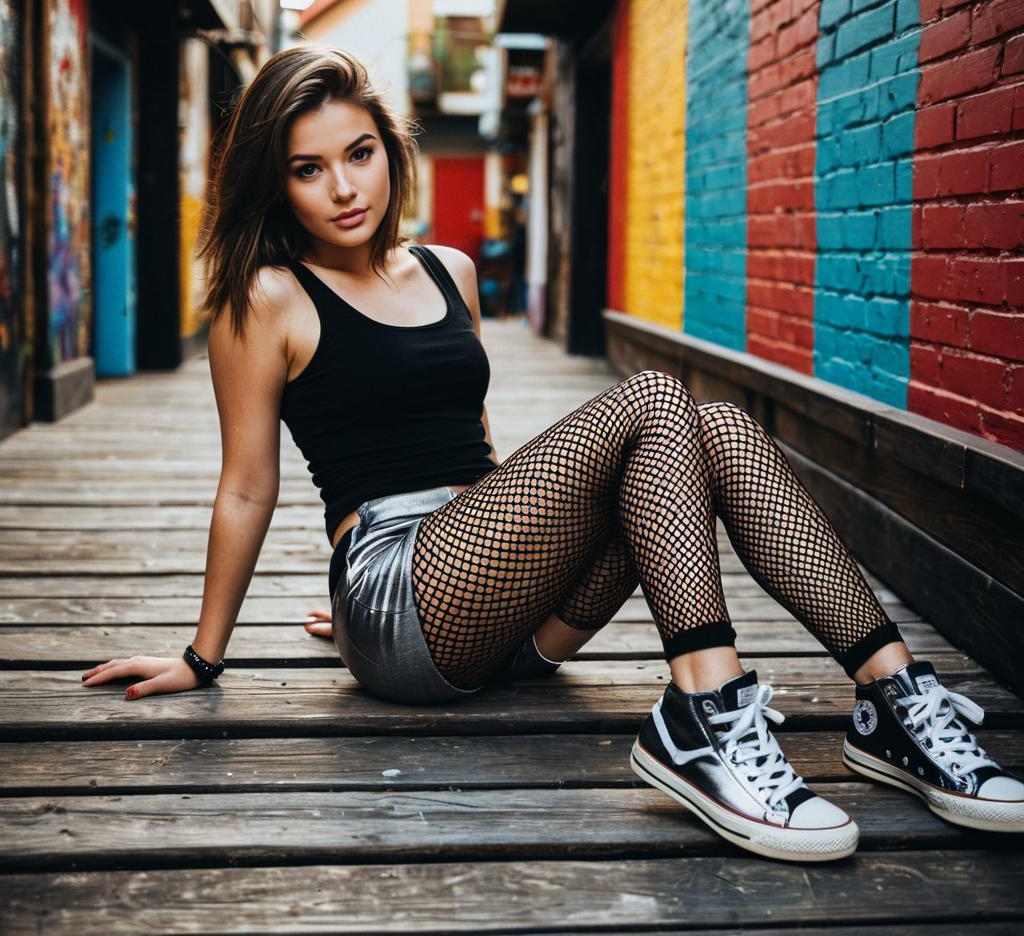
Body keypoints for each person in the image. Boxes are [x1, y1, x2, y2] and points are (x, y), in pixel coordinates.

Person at [80, 45, 1024, 862]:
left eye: (359, 153)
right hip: (402, 598)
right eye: (308, 168)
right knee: (656, 396)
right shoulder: (267, 298)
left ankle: (893, 703)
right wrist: (202, 659)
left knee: (720, 427)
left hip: (506, 602)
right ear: (273, 184)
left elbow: (478, 446)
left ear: (387, 150)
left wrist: (492, 555)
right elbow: (246, 488)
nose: (344, 187)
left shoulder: (449, 270)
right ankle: (704, 709)